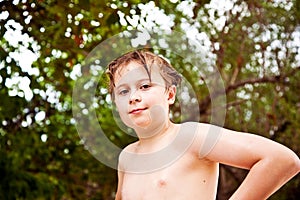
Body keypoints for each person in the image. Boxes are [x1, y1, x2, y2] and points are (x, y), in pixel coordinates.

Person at [106, 50, 300, 200]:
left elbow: (281, 159)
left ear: (170, 94)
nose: (134, 97)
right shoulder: (127, 157)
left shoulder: (190, 138)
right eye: (123, 91)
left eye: (145, 86)